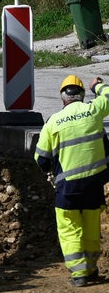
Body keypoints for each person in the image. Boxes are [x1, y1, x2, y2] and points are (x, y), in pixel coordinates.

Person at [35, 74, 109, 287]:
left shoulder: (53, 122)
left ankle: (79, 274)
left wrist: (50, 172)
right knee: (91, 227)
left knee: (69, 229)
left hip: (67, 188)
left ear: (62, 98)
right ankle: (92, 268)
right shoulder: (93, 111)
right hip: (94, 184)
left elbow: (41, 158)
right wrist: (99, 86)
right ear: (82, 95)